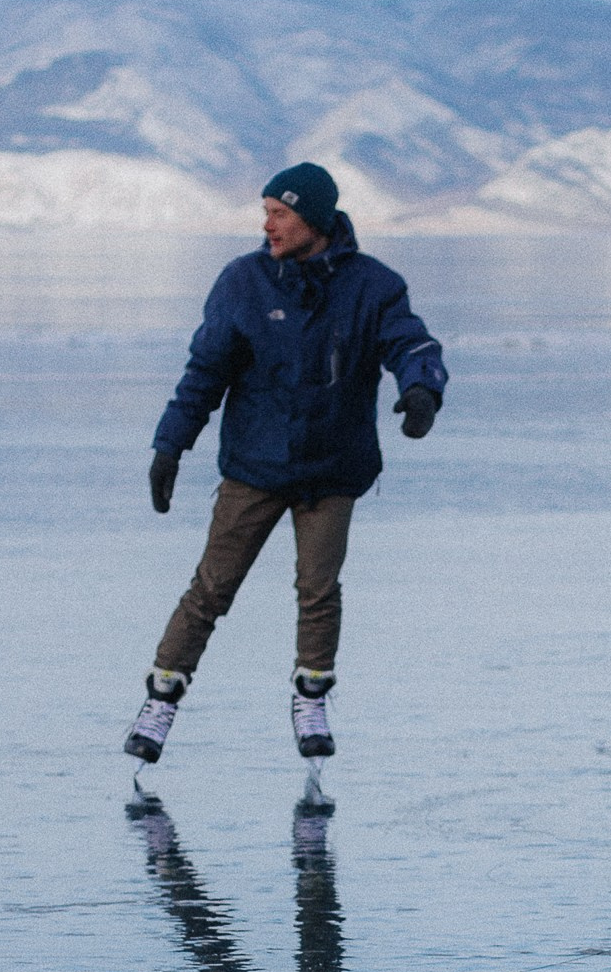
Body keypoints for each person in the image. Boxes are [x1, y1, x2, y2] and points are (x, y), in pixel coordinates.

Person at [123, 162, 446, 775]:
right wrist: (171, 446)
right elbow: (204, 373)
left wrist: (423, 391)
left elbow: (411, 344)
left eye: (280, 212)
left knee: (318, 590)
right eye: (265, 210)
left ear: (314, 221)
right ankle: (160, 700)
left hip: (333, 467)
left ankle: (311, 701)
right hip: (256, 467)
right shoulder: (243, 282)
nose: (266, 224)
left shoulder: (373, 286)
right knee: (212, 589)